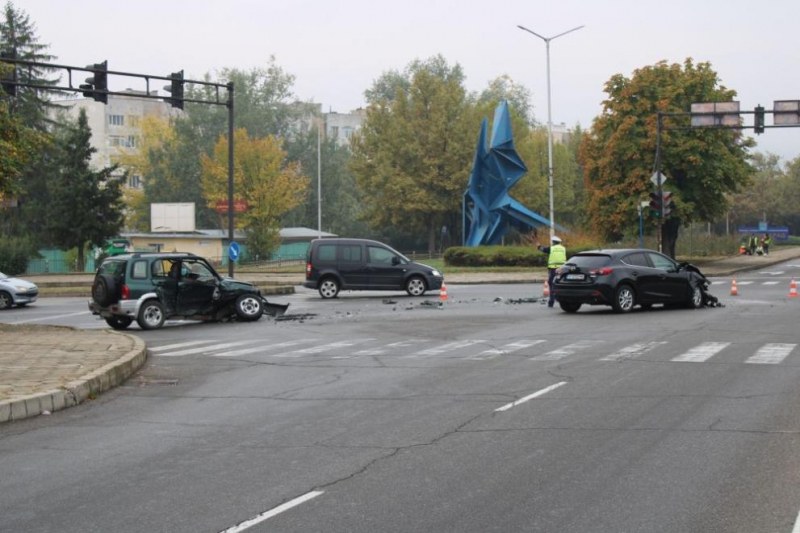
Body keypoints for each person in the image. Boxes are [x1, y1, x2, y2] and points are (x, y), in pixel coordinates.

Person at [537, 235, 567, 308]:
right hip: (562, 269)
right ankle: (564, 299)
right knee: (562, 284)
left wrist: (538, 246)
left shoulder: (552, 248)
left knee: (552, 284)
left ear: (553, 242)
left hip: (553, 269)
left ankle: (551, 301)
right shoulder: (563, 248)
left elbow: (543, 249)